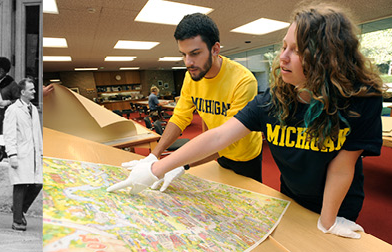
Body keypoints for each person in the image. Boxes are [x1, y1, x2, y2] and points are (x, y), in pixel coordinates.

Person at [109, 3, 383, 239]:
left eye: (296, 51)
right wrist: (156, 167)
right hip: (290, 194)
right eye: (283, 46)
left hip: (338, 203)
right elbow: (218, 135)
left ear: (326, 59)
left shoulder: (360, 102)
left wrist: (328, 220)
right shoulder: (274, 100)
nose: (282, 57)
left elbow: (342, 166)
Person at [122, 13, 264, 182]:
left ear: (215, 49)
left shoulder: (243, 81)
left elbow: (227, 138)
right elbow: (180, 117)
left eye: (195, 53)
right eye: (183, 54)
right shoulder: (191, 76)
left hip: (245, 155)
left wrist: (181, 164)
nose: (188, 62)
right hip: (216, 152)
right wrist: (153, 155)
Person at [3, 79, 43, 231]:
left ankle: (19, 209)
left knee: (38, 183)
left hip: (33, 153)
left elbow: (37, 133)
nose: (34, 91)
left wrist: (40, 152)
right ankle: (17, 220)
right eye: (31, 89)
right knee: (20, 184)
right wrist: (12, 154)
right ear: (22, 92)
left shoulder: (33, 108)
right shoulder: (13, 110)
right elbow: (9, 134)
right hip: (20, 152)